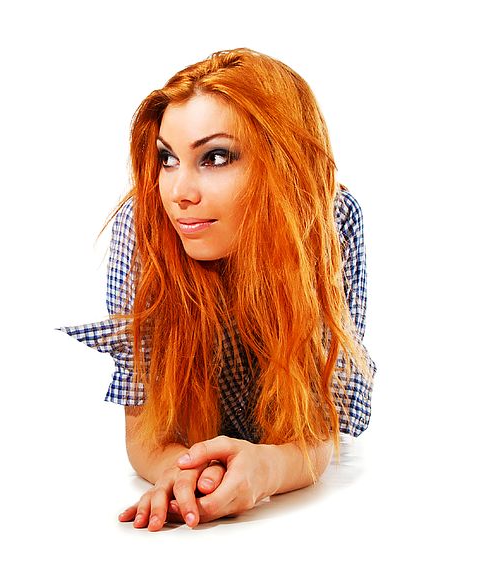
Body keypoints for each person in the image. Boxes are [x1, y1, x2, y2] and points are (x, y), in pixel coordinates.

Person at [57, 47, 377, 531]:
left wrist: (271, 468)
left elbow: (324, 420)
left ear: (282, 165)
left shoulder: (329, 223)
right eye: (168, 159)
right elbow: (144, 428)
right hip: (196, 442)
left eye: (216, 157)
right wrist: (181, 474)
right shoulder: (144, 231)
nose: (179, 192)